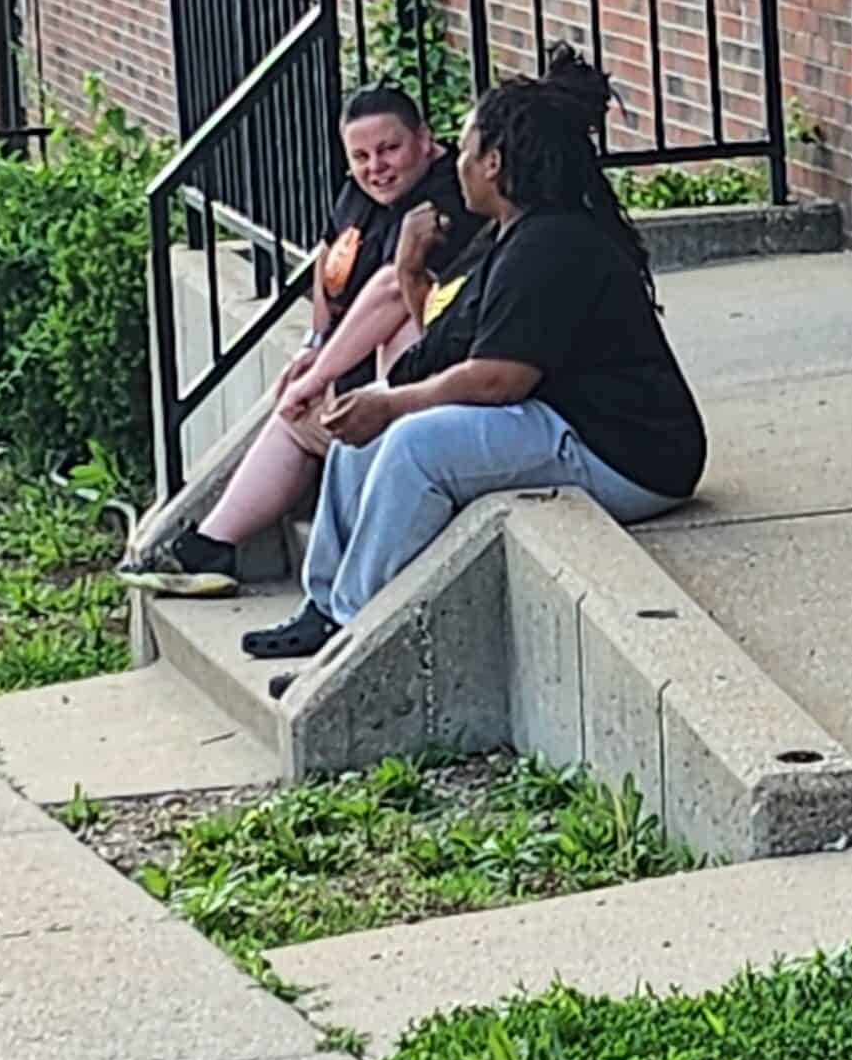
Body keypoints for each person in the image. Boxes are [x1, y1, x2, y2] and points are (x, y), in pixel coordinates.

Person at [241, 51, 706, 661]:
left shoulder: (554, 244)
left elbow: (499, 380)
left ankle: (355, 638)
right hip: (561, 424)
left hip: (629, 456)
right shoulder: (511, 235)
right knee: (377, 433)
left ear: (494, 161)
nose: (456, 165)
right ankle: (326, 607)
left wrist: (394, 403)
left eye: (464, 150)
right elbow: (445, 343)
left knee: (415, 444)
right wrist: (408, 274)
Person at [119, 84, 481, 596]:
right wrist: (313, 343)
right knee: (294, 413)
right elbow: (329, 263)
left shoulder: (449, 197)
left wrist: (318, 374)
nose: (375, 166)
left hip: (432, 389)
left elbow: (391, 290)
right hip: (356, 372)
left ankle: (359, 554)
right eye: (360, 155)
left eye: (389, 149)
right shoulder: (361, 192)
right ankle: (211, 546)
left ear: (424, 140)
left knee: (362, 355)